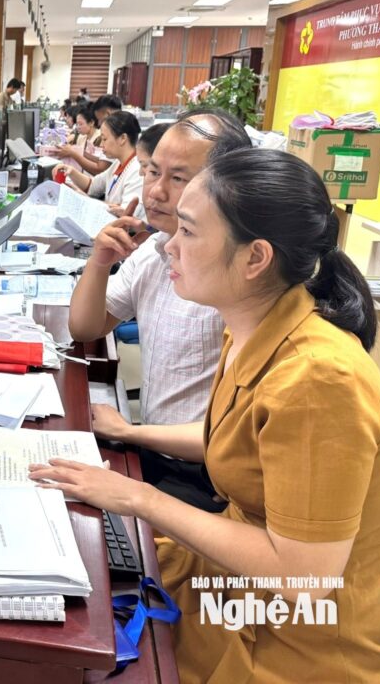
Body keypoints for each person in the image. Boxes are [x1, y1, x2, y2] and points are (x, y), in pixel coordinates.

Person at [32, 147, 380, 683]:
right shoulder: (254, 325)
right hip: (231, 589)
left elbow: (304, 579)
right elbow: (238, 441)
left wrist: (137, 498)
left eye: (188, 231)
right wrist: (132, 435)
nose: (169, 245)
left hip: (291, 644)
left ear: (255, 259)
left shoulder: (318, 379)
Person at [67, 109, 251, 510]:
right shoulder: (154, 249)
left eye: (179, 179)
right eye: (152, 172)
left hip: (209, 479)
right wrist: (100, 262)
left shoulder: (238, 281)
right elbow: (84, 328)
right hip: (156, 452)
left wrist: (129, 433)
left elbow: (237, 440)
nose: (156, 192)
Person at [77, 111, 144, 218]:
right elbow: (93, 186)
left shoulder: (137, 170)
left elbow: (125, 214)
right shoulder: (118, 163)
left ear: (122, 139)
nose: (102, 144)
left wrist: (86, 200)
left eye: (104, 139)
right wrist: (70, 171)